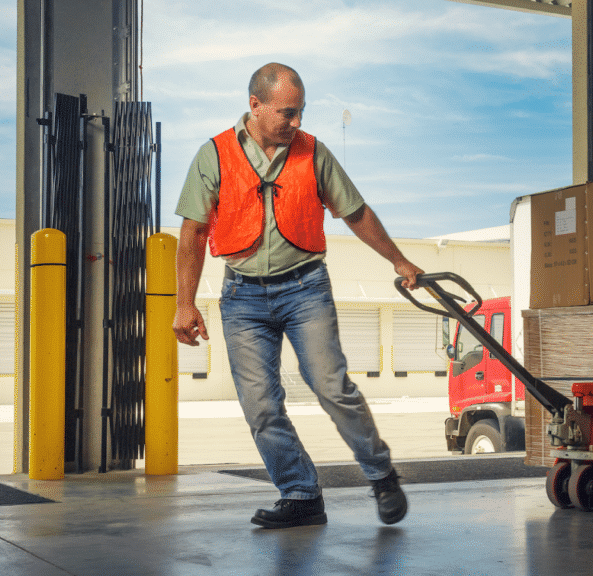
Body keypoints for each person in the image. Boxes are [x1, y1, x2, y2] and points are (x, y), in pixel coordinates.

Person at [172, 62, 424, 529]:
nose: (297, 123)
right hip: (242, 298)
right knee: (261, 407)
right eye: (288, 113)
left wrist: (399, 260)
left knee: (332, 388)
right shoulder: (215, 154)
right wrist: (184, 303)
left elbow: (356, 212)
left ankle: (381, 474)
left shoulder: (313, 152)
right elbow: (192, 231)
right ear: (256, 106)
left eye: (301, 112)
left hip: (305, 288)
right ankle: (301, 494)